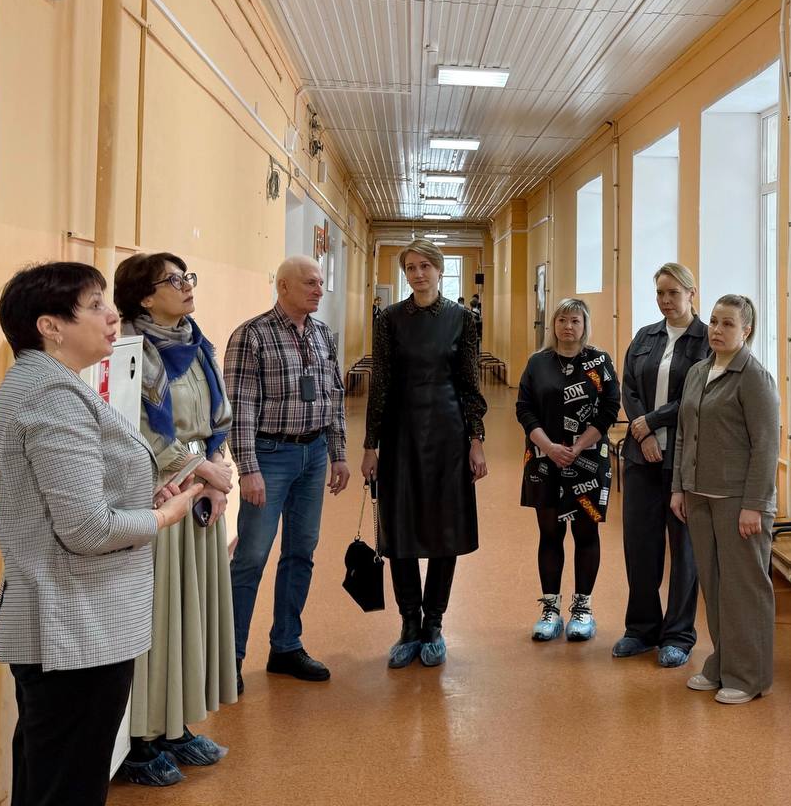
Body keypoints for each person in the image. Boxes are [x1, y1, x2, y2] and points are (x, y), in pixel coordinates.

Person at [0, 262, 203, 806]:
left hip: (71, 621)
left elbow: (76, 498)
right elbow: (87, 529)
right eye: (95, 306)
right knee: (68, 785)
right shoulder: (52, 395)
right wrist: (162, 517)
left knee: (47, 777)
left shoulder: (48, 384)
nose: (112, 317)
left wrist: (142, 497)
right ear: (50, 326)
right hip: (75, 626)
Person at [112, 252, 238, 787]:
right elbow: (137, 430)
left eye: (187, 277)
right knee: (161, 614)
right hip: (159, 498)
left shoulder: (198, 345)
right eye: (173, 280)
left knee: (193, 611)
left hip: (199, 496)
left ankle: (175, 726)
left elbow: (214, 418)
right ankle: (142, 738)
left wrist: (215, 475)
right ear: (144, 297)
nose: (186, 286)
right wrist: (201, 470)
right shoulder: (130, 353)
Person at [225, 256, 351, 690]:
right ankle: (229, 658)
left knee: (301, 553)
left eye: (320, 282)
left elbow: (334, 396)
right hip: (270, 455)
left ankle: (285, 646)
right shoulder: (252, 335)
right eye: (310, 283)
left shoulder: (322, 334)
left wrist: (337, 453)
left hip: (313, 455)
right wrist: (248, 468)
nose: (318, 290)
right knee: (251, 558)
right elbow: (240, 405)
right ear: (283, 286)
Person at [361, 239, 488, 668]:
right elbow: (380, 384)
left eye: (425, 266)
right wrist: (370, 444)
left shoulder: (462, 319)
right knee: (400, 531)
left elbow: (470, 384)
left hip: (449, 434)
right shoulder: (390, 319)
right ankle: (409, 624)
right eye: (410, 268)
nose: (418, 274)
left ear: (439, 269)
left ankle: (434, 623)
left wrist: (476, 439)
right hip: (400, 432)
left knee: (443, 529)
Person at [670, 294, 780, 705]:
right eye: (714, 321)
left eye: (728, 324)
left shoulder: (754, 377)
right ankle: (722, 663)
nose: (716, 330)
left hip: (739, 500)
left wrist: (755, 504)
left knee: (744, 589)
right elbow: (683, 434)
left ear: (746, 330)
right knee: (714, 585)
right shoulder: (699, 371)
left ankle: (749, 676)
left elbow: (766, 446)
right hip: (699, 495)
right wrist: (679, 487)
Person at [613, 263, 710, 668]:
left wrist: (652, 422)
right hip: (641, 458)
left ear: (691, 294)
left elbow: (696, 395)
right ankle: (641, 629)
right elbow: (629, 387)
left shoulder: (706, 340)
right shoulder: (645, 337)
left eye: (673, 293)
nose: (666, 301)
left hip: (683, 463)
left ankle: (679, 635)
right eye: (660, 293)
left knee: (684, 550)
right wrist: (643, 433)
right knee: (640, 546)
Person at [516, 298, 620, 642]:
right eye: (562, 320)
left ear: (584, 325)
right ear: (553, 325)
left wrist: (577, 447)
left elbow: (610, 408)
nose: (568, 327)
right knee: (550, 535)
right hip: (544, 462)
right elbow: (524, 408)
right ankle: (550, 610)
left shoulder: (599, 361)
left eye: (575, 320)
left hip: (588, 462)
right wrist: (549, 447)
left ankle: (582, 609)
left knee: (586, 535)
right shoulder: (538, 362)